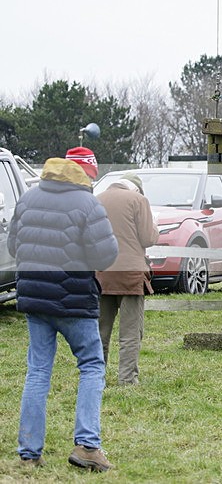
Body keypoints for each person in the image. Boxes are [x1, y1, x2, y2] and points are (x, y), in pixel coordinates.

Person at [8, 147, 118, 472]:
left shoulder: (27, 198)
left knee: (38, 370)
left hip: (33, 297)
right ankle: (87, 445)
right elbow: (105, 256)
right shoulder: (87, 203)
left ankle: (29, 453)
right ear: (84, 175)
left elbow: (14, 246)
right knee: (92, 366)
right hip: (74, 300)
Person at [96, 173, 159, 385]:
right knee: (130, 332)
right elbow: (148, 238)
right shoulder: (138, 200)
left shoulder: (98, 199)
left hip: (101, 274)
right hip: (131, 274)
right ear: (137, 189)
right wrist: (155, 227)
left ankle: (96, 376)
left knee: (100, 330)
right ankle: (127, 379)